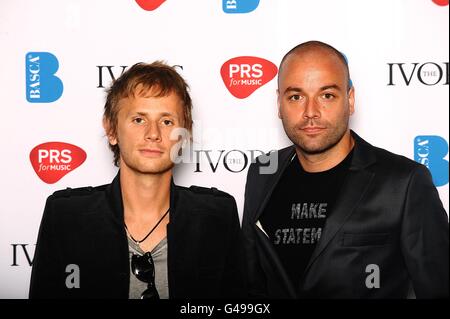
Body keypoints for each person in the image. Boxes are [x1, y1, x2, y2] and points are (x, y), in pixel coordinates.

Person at [242, 41, 449, 299]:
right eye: (296, 96)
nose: (310, 112)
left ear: (350, 100)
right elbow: (251, 285)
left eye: (327, 95)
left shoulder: (404, 182)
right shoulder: (262, 173)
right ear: (279, 104)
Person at [29, 61, 245, 299]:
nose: (153, 133)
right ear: (112, 130)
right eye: (139, 120)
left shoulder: (216, 216)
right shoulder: (65, 216)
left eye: (167, 121)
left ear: (185, 135)